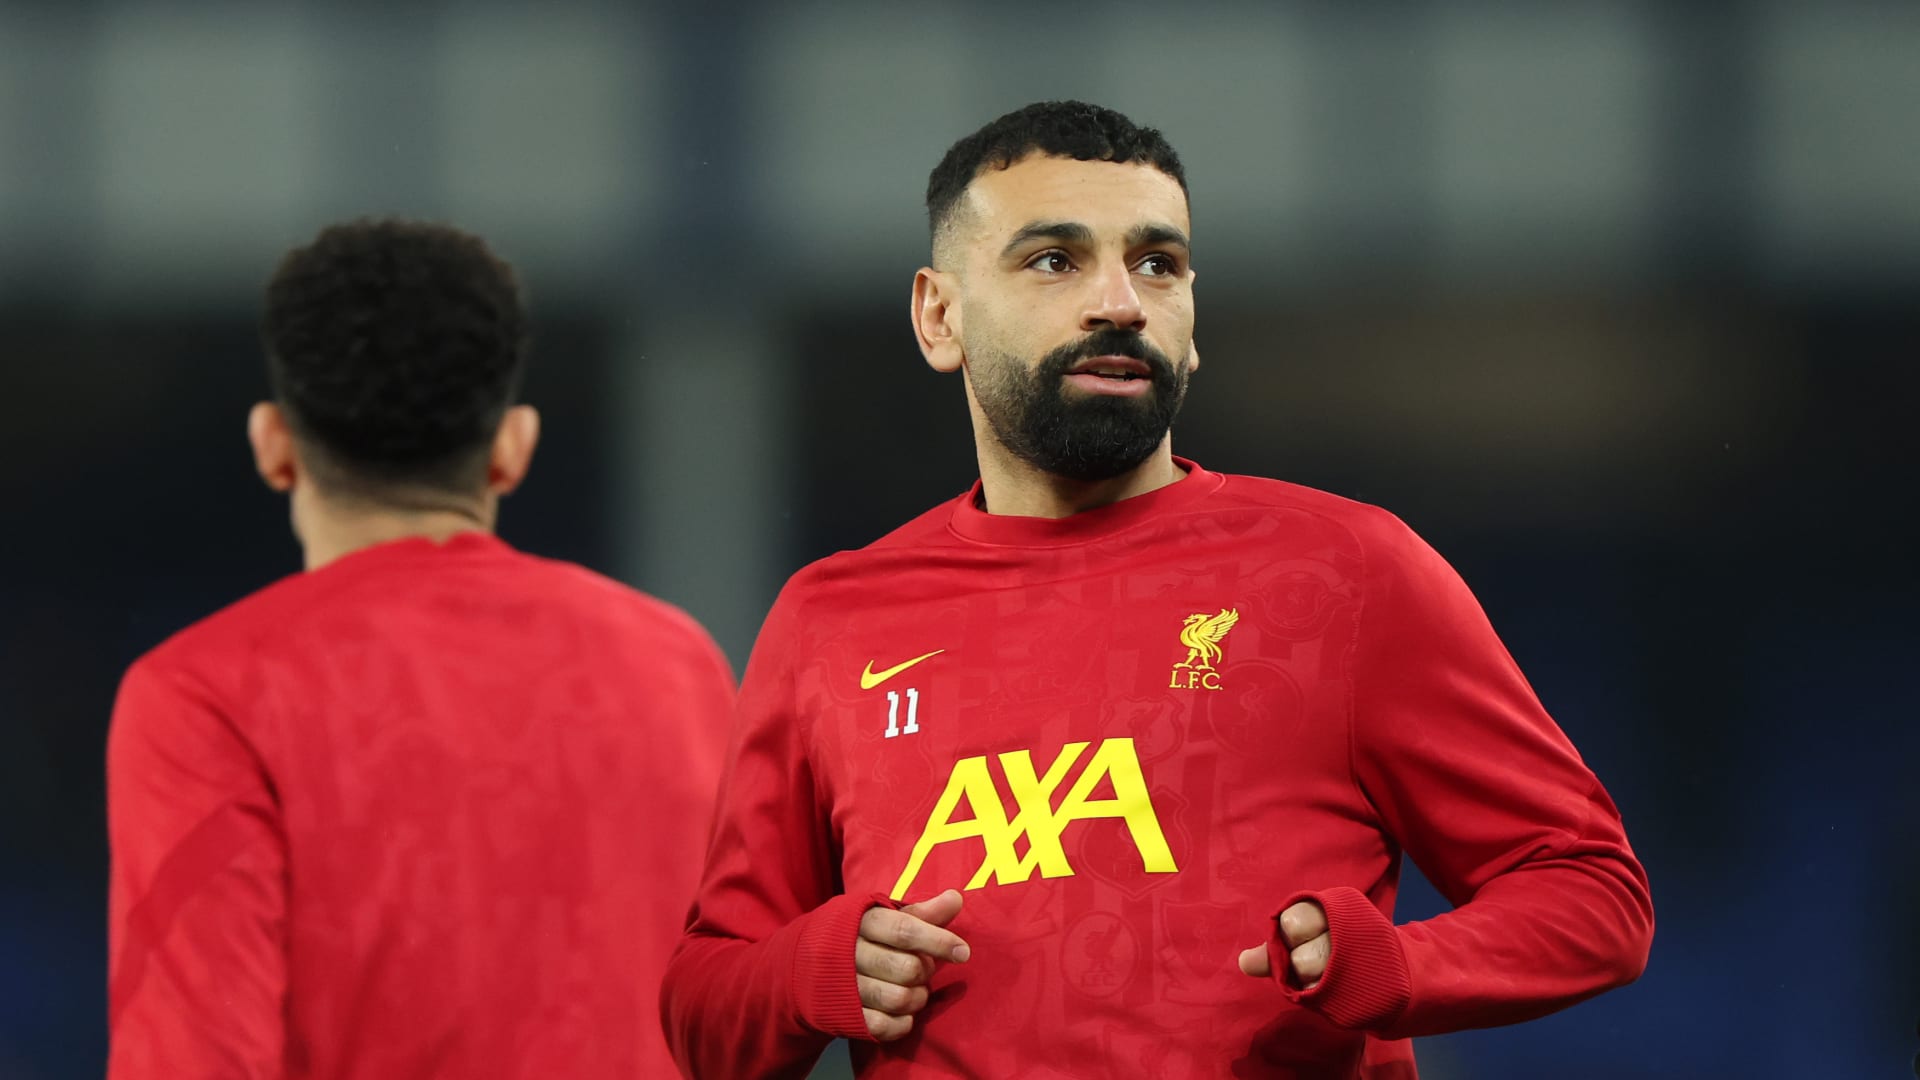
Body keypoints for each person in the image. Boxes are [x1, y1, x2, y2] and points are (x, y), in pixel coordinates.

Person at [658, 101, 1653, 1079]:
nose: (1120, 302)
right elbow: (705, 1005)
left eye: (1157, 264)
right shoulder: (834, 617)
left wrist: (1400, 967)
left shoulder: (1345, 570)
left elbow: (1592, 894)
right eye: (1055, 260)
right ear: (939, 315)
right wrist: (814, 973)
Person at [106, 219, 734, 1079]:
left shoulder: (206, 694)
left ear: (273, 445)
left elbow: (194, 1060)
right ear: (512, 448)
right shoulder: (678, 665)